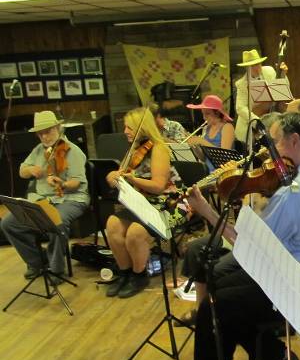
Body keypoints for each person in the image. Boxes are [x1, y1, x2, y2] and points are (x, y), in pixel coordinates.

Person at [171, 112, 300, 360]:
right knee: (223, 289)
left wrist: (207, 211)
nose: (270, 149)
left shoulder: (296, 191)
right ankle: (274, 357)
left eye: (275, 141)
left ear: (293, 141)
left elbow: (251, 247)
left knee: (218, 302)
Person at [104, 107, 187, 298]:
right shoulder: (134, 150)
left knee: (135, 233)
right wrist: (113, 176)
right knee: (112, 225)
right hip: (143, 201)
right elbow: (120, 175)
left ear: (143, 128)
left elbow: (158, 186)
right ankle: (124, 273)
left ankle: (139, 276)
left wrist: (132, 179)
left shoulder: (159, 149)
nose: (125, 131)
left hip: (171, 202)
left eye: (129, 127)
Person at [1, 111, 89, 283]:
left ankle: (57, 269)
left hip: (71, 198)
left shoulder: (73, 151)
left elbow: (76, 183)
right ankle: (38, 262)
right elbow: (22, 171)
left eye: (48, 131)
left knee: (57, 222)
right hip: (44, 199)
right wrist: (31, 170)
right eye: (40, 133)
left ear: (58, 128)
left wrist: (62, 184)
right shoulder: (38, 150)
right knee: (8, 224)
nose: (44, 136)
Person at [234, 49, 288, 143]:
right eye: (253, 65)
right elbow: (240, 108)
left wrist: (283, 75)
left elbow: (282, 91)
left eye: (258, 64)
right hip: (249, 127)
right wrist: (257, 122)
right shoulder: (242, 84)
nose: (257, 67)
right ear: (246, 67)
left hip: (270, 118)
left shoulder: (269, 71)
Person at [186, 94, 235, 172]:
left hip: (223, 172)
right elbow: (203, 158)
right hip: (208, 172)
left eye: (207, 113)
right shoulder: (206, 128)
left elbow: (225, 155)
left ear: (217, 113)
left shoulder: (227, 127)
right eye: (203, 113)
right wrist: (195, 147)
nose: (204, 117)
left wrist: (201, 141)